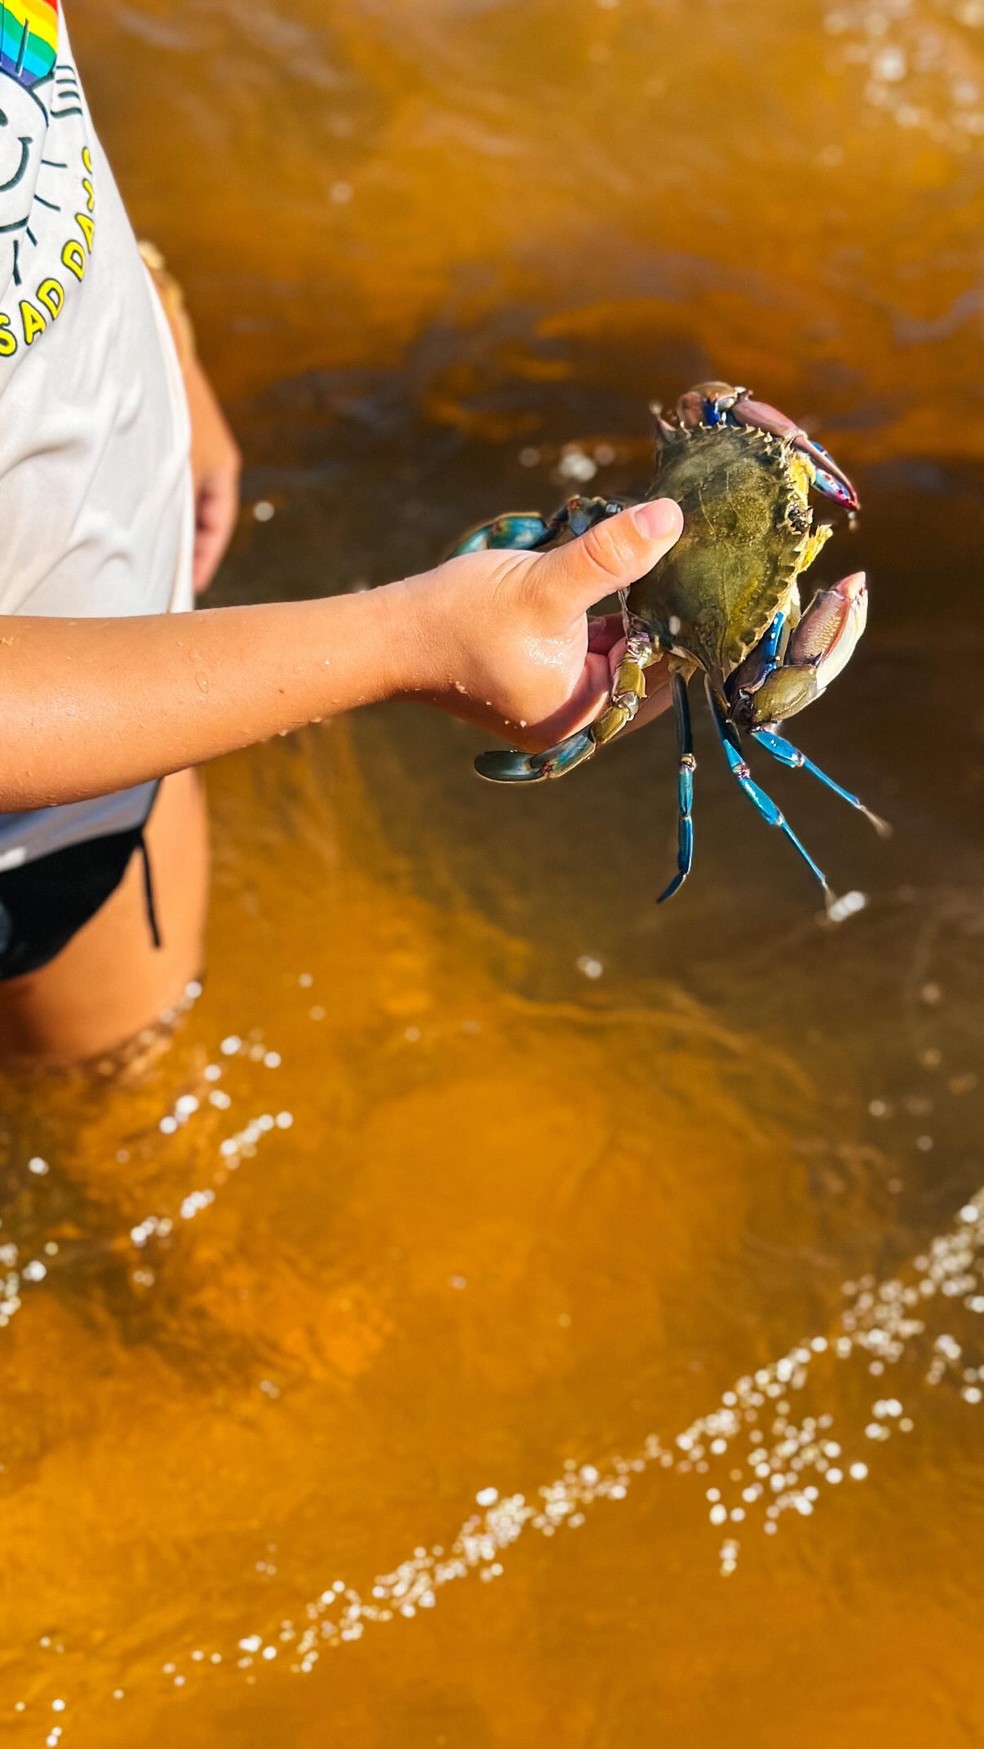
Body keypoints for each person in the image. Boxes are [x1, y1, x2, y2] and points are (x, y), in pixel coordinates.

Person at [0, 0, 682, 1069]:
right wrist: (405, 642)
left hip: (124, 693)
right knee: (113, 1090)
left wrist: (151, 304)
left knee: (121, 1073)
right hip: (33, 788)